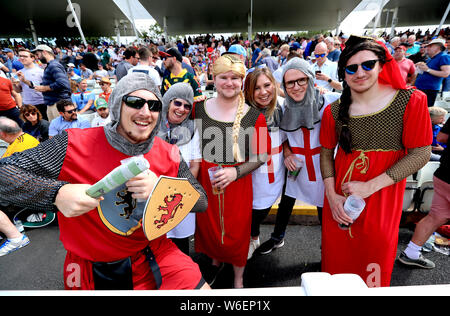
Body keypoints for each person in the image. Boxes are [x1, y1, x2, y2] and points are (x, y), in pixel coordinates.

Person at [0, 72, 209, 290]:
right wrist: (56, 194)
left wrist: (162, 189)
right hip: (90, 263)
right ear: (118, 105)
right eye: (135, 102)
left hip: (153, 254)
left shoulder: (170, 152)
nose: (146, 112)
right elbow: (4, 172)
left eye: (154, 106)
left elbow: (200, 200)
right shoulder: (73, 144)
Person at [319, 36, 432, 287]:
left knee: (373, 268)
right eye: (352, 68)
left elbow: (421, 153)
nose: (360, 72)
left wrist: (369, 186)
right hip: (339, 202)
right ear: (344, 74)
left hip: (381, 201)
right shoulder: (334, 111)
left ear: (382, 64)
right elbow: (326, 153)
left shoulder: (411, 101)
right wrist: (331, 196)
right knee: (335, 267)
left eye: (368, 64)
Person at [194, 54, 270, 288]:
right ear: (213, 79)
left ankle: (238, 278)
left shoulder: (253, 116)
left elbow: (261, 156)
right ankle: (216, 261)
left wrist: (235, 173)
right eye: (223, 77)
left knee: (237, 232)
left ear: (242, 80)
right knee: (210, 229)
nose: (229, 83)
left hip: (238, 183)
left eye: (235, 78)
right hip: (207, 181)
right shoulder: (198, 109)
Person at [257, 57, 340, 255]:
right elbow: (282, 135)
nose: (295, 87)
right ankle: (277, 237)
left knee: (325, 208)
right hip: (297, 165)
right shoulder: (283, 107)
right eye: (290, 82)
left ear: (310, 79)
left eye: (301, 80)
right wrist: (287, 153)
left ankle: (328, 249)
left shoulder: (331, 102)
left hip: (325, 167)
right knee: (287, 200)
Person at [243, 67, 285, 259]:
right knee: (252, 211)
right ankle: (253, 238)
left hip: (276, 171)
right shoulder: (243, 113)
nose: (263, 92)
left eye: (267, 85)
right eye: (256, 88)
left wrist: (291, 153)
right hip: (252, 173)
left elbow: (290, 137)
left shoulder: (283, 107)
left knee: (262, 210)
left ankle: (257, 236)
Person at [398, 118, 449, 269]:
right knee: (435, 218)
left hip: (444, 174)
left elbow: (441, 137)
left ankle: (411, 253)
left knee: (435, 217)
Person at [157, 83, 200, 256]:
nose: (182, 109)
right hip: (155, 195)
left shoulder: (193, 129)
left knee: (180, 245)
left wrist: (183, 188)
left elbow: (195, 164)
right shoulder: (152, 125)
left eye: (187, 106)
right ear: (168, 102)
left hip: (181, 195)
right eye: (177, 103)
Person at [0, 117, 37, 256]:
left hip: (26, 188)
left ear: (3, 134)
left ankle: (12, 232)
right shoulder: (21, 139)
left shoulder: (21, 147)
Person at [32, 44, 71, 122]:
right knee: (56, 132)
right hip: (53, 104)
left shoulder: (53, 65)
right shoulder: (50, 65)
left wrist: (44, 88)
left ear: (44, 52)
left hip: (59, 103)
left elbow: (63, 83)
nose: (37, 57)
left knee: (64, 131)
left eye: (37, 54)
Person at [414, 38, 450, 107]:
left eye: (430, 46)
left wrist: (428, 70)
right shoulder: (432, 58)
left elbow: (446, 73)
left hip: (429, 90)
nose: (427, 48)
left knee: (425, 112)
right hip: (422, 89)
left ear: (438, 47)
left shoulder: (444, 56)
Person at [13, 49, 47, 120]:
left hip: (41, 103)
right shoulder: (19, 72)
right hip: (27, 104)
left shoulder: (41, 71)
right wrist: (13, 84)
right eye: (20, 56)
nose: (22, 58)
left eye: (25, 56)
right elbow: (18, 90)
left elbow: (44, 88)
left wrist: (25, 81)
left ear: (32, 58)